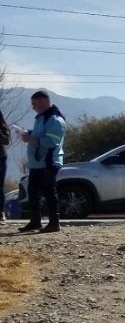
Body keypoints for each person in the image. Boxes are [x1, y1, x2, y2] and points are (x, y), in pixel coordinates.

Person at [19, 91, 66, 233]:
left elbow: (52, 142)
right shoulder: (41, 118)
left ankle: (54, 223)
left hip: (48, 162)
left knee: (49, 192)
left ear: (43, 101)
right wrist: (26, 132)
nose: (33, 107)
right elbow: (40, 133)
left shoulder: (55, 119)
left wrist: (32, 140)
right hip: (36, 164)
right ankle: (35, 222)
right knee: (33, 193)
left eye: (34, 104)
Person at [0, 111, 9, 222]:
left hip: (0, 157)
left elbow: (6, 141)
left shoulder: (3, 127)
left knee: (0, 186)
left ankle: (1, 212)